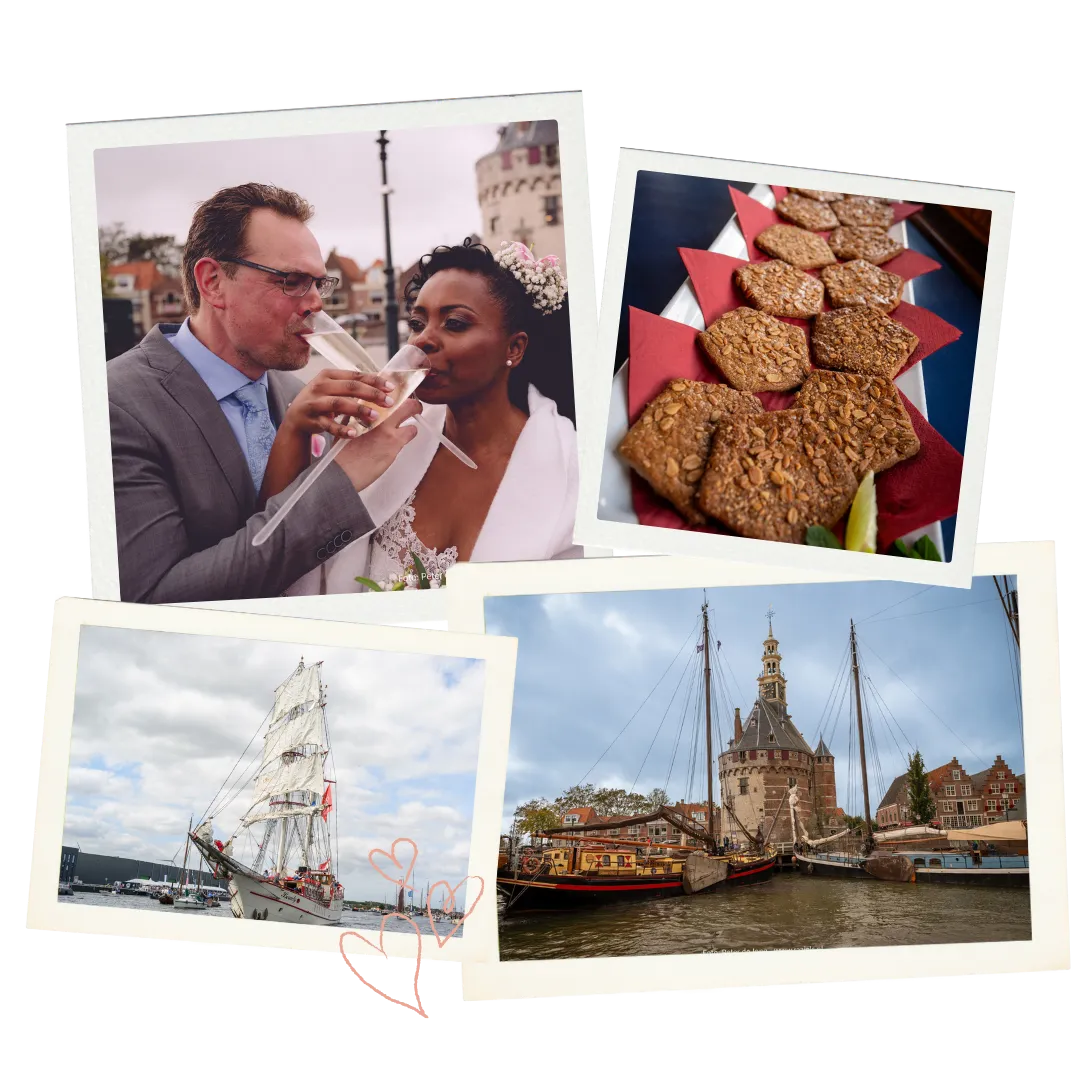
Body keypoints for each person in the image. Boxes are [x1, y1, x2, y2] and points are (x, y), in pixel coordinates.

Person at [107, 183, 421, 603]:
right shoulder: (116, 405)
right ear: (213, 281)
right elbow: (155, 598)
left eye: (318, 284)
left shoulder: (297, 393)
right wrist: (340, 479)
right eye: (291, 281)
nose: (315, 305)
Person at [283, 238, 580, 594]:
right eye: (417, 323)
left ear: (514, 348)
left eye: (454, 323)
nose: (422, 340)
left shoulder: (572, 473)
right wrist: (297, 432)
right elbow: (290, 557)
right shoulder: (385, 438)